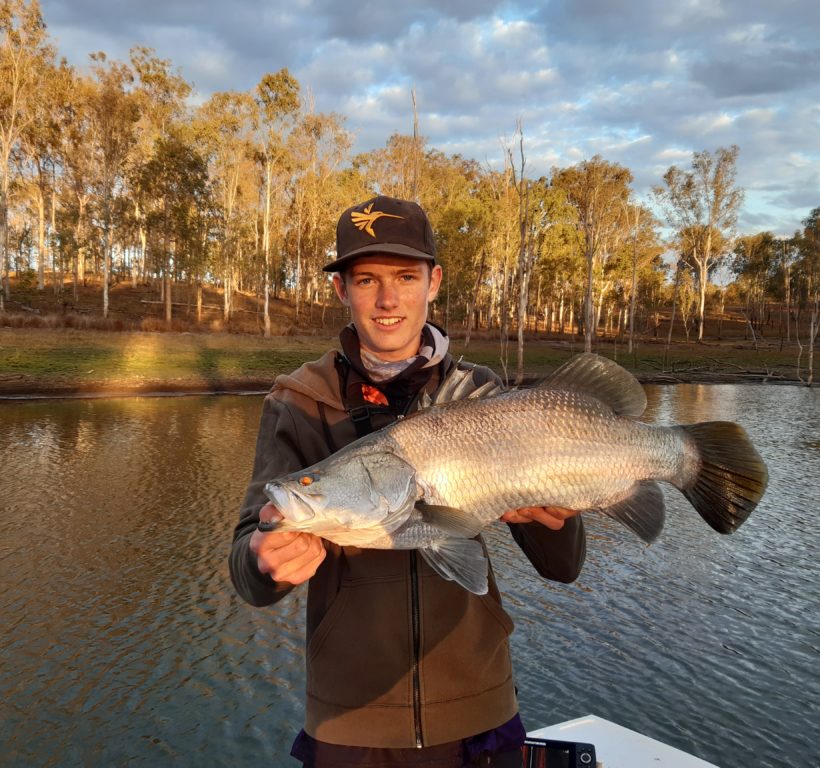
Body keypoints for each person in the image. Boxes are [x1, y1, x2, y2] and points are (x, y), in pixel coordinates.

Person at [229, 194, 586, 767]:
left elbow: (562, 567)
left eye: (405, 276)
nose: (388, 299)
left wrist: (557, 519)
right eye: (366, 279)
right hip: (350, 722)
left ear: (434, 281)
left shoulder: (482, 393)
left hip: (482, 713)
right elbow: (248, 570)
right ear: (342, 290)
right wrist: (261, 561)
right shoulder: (299, 402)